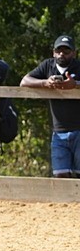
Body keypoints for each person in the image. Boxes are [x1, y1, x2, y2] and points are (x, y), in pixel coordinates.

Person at [20, 35, 80, 176]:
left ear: (74, 53)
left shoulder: (78, 66)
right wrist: (45, 83)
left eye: (66, 51)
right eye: (59, 50)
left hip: (79, 130)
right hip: (58, 131)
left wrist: (75, 84)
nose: (62, 54)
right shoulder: (48, 65)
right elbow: (24, 81)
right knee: (60, 175)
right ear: (53, 52)